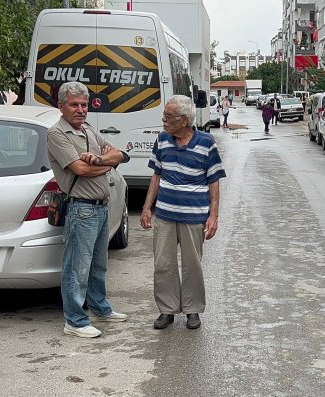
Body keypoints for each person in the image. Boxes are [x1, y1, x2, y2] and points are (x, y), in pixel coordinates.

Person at [47, 81, 130, 338]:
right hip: (81, 209)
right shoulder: (57, 134)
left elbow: (121, 153)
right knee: (77, 268)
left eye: (84, 104)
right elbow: (80, 170)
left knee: (98, 265)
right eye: (74, 105)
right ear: (61, 106)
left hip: (101, 207)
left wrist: (100, 160)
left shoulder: (88, 129)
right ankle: (75, 320)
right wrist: (107, 164)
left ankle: (100, 307)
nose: (80, 109)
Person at [140, 95, 226, 330]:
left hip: (194, 215)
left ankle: (192, 310)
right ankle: (167, 310)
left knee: (192, 265)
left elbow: (214, 180)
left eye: (168, 117)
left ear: (184, 120)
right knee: (163, 264)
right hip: (165, 215)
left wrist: (213, 216)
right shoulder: (162, 140)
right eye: (164, 116)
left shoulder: (206, 142)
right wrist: (147, 208)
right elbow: (156, 175)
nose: (163, 120)